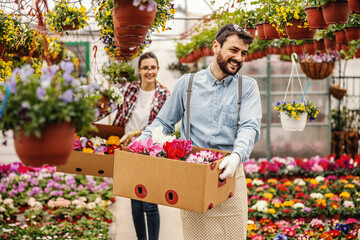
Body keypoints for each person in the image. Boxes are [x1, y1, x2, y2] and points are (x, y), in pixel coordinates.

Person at [138, 23, 262, 239]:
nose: (239, 58)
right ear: (216, 46)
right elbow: (164, 122)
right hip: (193, 178)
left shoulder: (247, 87)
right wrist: (140, 143)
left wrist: (236, 156)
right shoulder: (188, 84)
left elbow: (249, 126)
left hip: (230, 176)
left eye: (243, 53)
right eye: (233, 50)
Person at [97, 52, 170, 240]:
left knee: (150, 203)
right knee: (136, 202)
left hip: (150, 152)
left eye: (153, 67)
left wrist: (137, 134)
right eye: (145, 67)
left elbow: (163, 125)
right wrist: (88, 120)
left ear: (158, 69)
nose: (149, 71)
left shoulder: (164, 95)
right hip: (128, 151)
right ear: (139, 70)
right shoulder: (128, 90)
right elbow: (110, 107)